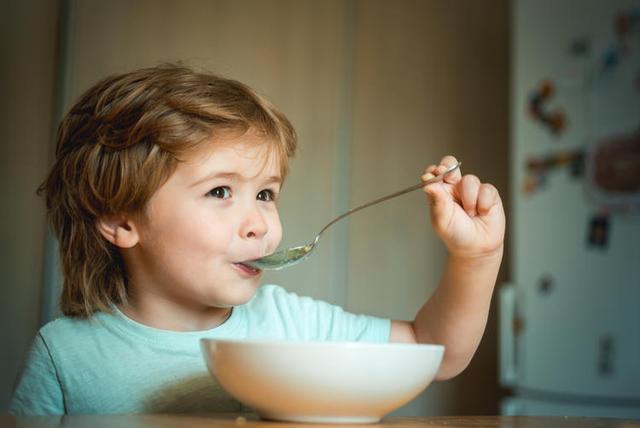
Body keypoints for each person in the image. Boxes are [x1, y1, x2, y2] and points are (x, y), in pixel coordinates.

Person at [9, 64, 505, 415]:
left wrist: (476, 257)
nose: (261, 224)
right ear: (121, 221)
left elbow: (432, 349)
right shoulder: (65, 354)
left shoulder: (290, 321)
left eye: (266, 193)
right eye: (221, 191)